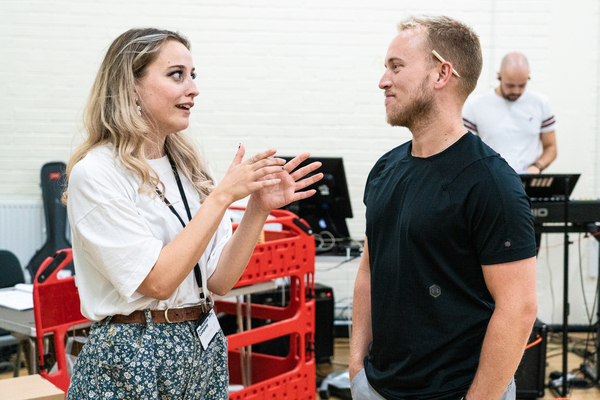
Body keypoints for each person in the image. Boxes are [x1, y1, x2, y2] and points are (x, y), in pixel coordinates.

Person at [62, 28, 322, 399]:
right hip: (133, 355)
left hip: (200, 342)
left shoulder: (188, 167)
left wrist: (256, 209)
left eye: (193, 75)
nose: (193, 88)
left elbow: (219, 281)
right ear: (131, 86)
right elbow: (158, 283)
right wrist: (221, 197)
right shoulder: (97, 173)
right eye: (176, 74)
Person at [350, 16, 538, 400]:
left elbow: (518, 309)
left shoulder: (491, 183)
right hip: (377, 387)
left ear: (441, 74)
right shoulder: (385, 169)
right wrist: (356, 367)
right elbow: (370, 271)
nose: (383, 81)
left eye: (396, 67)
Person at [462, 52, 557, 174]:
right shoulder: (475, 106)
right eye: (510, 85)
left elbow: (551, 148)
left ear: (528, 77)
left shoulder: (541, 103)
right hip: (492, 181)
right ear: (499, 76)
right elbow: (467, 151)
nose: (516, 91)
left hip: (527, 182)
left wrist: (537, 166)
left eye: (522, 85)